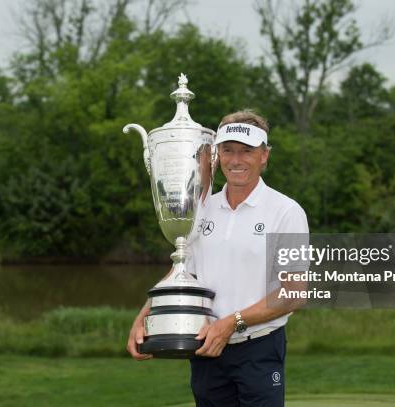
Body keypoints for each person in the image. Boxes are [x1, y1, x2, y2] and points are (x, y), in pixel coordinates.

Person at [127, 110, 309, 407]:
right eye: (227, 150)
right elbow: (184, 272)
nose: (236, 160)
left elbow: (294, 293)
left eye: (246, 151)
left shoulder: (286, 212)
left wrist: (231, 323)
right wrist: (143, 318)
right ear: (216, 155)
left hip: (259, 349)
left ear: (264, 155)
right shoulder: (200, 209)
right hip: (207, 348)